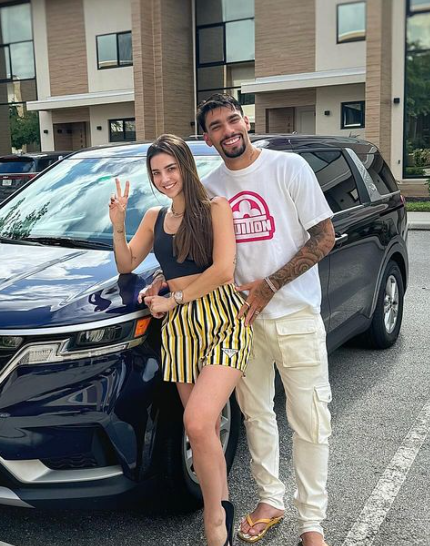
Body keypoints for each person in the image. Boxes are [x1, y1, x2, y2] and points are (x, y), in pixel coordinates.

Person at [140, 95, 335, 546]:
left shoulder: (288, 167)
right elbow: (190, 251)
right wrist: (162, 279)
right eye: (216, 127)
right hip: (236, 321)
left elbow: (324, 237)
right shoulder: (208, 188)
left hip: (294, 314)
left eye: (232, 121)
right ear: (207, 139)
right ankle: (270, 500)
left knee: (309, 419)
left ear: (246, 121)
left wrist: (271, 284)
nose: (228, 131)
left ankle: (312, 523)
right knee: (256, 415)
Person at [109, 134, 252, 546]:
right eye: (156, 172)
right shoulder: (155, 217)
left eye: (171, 168)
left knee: (197, 421)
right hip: (180, 329)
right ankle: (222, 504)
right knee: (205, 430)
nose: (164, 178)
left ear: (186, 166)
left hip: (223, 319)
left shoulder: (215, 208)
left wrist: (173, 298)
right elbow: (126, 263)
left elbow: (224, 270)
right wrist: (118, 224)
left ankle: (214, 523)